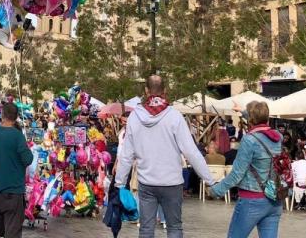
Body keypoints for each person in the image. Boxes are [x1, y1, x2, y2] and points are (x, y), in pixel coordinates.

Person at [115, 76, 215, 238]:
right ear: (165, 91)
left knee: (146, 229)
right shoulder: (174, 116)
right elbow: (191, 152)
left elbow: (126, 155)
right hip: (172, 183)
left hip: (147, 183)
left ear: (146, 91)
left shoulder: (134, 117)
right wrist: (209, 180)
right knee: (174, 227)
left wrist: (119, 183)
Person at [209, 101, 283, 238]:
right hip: (274, 200)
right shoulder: (278, 137)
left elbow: (237, 174)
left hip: (252, 199)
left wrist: (216, 190)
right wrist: (243, 111)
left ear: (250, 119)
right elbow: (260, 123)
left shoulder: (249, 140)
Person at [0, 102, 33, 238]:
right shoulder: (18, 136)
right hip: (14, 192)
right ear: (16, 117)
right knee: (12, 231)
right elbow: (28, 159)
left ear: (2, 115)